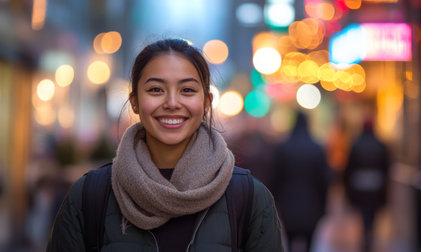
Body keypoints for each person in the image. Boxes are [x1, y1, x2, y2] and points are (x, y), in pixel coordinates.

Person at [46, 38, 283, 251]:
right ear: (135, 102)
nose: (171, 102)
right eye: (156, 90)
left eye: (187, 90)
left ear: (206, 103)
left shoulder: (249, 198)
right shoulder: (89, 196)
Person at [271, 111, 331, 252]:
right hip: (312, 205)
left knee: (290, 241)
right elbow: (324, 180)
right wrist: (324, 204)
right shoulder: (317, 148)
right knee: (310, 242)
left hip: (288, 204)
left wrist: (275, 202)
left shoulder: (283, 147)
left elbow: (275, 177)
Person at [343, 117, 390, 252]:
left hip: (359, 187)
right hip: (376, 187)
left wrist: (347, 186)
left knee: (364, 213)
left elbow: (349, 167)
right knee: (372, 213)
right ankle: (368, 233)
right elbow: (386, 167)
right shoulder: (380, 145)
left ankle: (366, 234)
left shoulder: (356, 144)